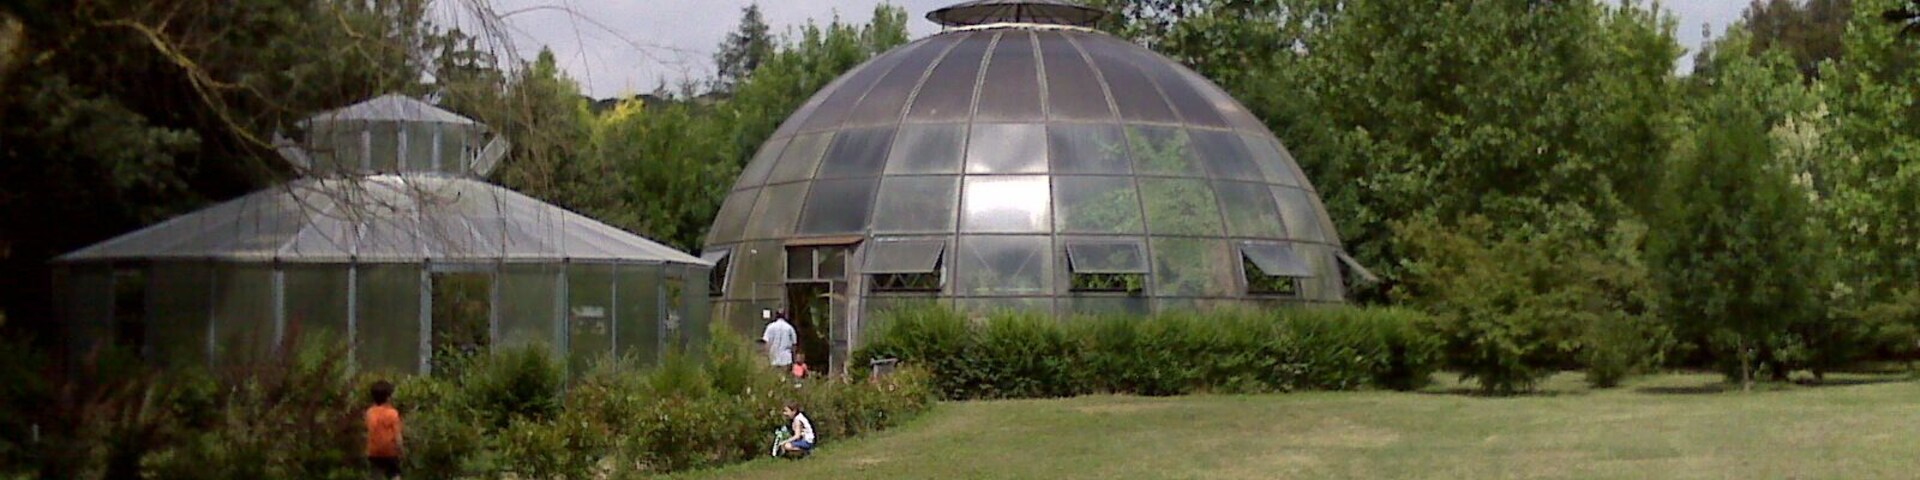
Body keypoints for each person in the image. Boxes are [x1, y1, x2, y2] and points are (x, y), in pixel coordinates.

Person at [365, 380, 404, 480]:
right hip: (390, 451)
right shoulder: (392, 413)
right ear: (388, 397)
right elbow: (397, 436)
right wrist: (401, 450)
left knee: (375, 475)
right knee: (394, 474)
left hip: (373, 451)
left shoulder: (370, 412)